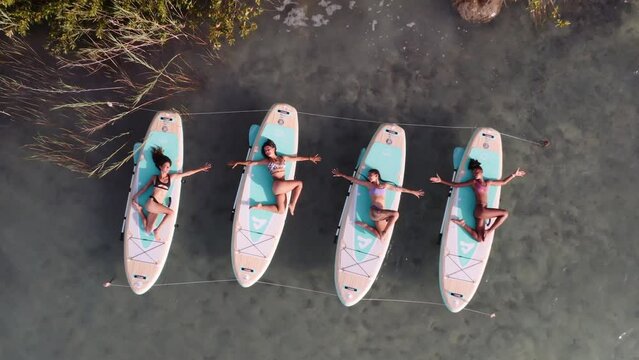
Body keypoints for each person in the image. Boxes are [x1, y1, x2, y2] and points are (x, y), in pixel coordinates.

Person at [430, 158, 526, 242]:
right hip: (481, 210)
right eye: (473, 173)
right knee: (505, 213)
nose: (474, 174)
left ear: (481, 172)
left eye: (476, 172)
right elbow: (456, 185)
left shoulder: (489, 182)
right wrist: (441, 181)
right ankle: (489, 231)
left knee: (479, 238)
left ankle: (463, 224)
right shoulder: (473, 182)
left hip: (481, 212)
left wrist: (514, 175)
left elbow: (503, 182)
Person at [131, 146, 211, 240]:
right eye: (167, 166)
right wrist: (134, 198)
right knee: (171, 213)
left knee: (148, 230)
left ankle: (140, 211)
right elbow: (144, 188)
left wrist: (201, 169)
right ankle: (157, 230)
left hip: (157, 207)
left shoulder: (171, 177)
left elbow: (186, 174)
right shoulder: (154, 178)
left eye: (169, 167)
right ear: (161, 167)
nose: (168, 169)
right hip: (152, 203)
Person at [228, 139, 321, 215]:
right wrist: (238, 162)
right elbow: (251, 163)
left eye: (268, 149)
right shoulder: (267, 161)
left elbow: (297, 158)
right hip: (278, 185)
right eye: (265, 150)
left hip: (278, 188)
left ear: (273, 148)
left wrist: (310, 158)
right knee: (299, 184)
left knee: (281, 211)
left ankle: (260, 207)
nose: (267, 151)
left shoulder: (283, 158)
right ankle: (292, 204)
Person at [331, 168, 424, 240]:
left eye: (370, 175)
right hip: (376, 211)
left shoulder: (385, 185)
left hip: (379, 215)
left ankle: (378, 229)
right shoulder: (369, 185)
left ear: (376, 175)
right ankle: (384, 231)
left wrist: (413, 192)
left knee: (381, 237)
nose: (368, 177)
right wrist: (341, 174)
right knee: (395, 214)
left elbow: (399, 189)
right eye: (368, 176)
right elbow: (355, 180)